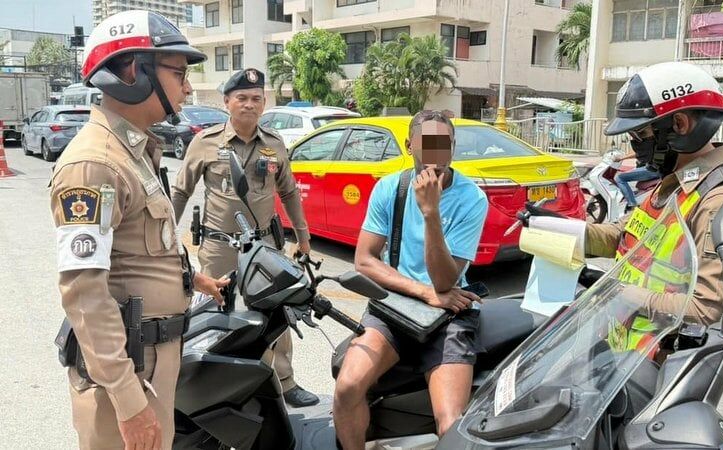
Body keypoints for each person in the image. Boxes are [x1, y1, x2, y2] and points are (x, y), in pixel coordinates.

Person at [50, 11, 229, 449]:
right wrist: (129, 404)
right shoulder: (94, 164)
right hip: (128, 373)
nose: (188, 88)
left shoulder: (135, 151)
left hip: (153, 360)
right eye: (180, 74)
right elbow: (85, 295)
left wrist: (191, 280)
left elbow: (141, 250)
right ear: (133, 71)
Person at [530, 62, 723, 333]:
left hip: (672, 362)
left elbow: (708, 310)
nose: (635, 146)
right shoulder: (674, 184)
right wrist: (549, 228)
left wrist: (618, 294)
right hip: (634, 355)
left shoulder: (722, 202)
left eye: (640, 134)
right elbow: (625, 236)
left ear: (679, 124)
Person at [333, 110, 489, 448]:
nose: (435, 154)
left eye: (443, 144)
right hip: (397, 308)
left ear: (453, 147)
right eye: (426, 144)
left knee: (450, 425)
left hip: (449, 315)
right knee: (347, 388)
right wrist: (422, 292)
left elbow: (446, 283)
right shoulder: (390, 188)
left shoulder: (471, 198)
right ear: (409, 146)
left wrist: (431, 213)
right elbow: (365, 259)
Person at [170, 68, 318, 407]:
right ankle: (223, 384)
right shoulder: (206, 143)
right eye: (241, 98)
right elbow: (180, 192)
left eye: (255, 99)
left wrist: (303, 235)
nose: (249, 104)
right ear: (227, 102)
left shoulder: (275, 144)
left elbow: (290, 192)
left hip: (265, 246)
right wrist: (167, 237)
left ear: (264, 103)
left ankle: (285, 380)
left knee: (275, 313)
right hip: (220, 246)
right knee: (221, 312)